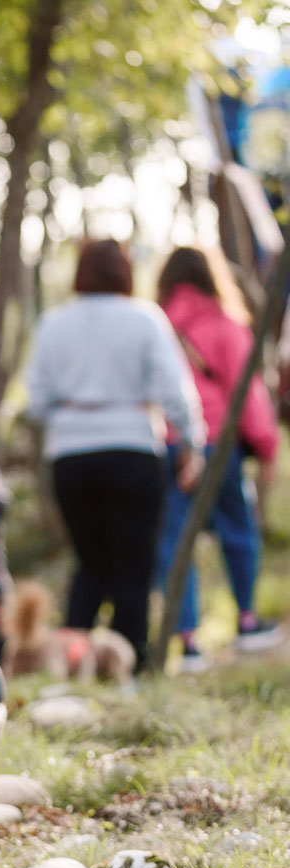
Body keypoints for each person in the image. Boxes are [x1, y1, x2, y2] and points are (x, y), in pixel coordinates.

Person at [25, 238, 205, 672]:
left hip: (70, 455)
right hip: (133, 450)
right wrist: (192, 442)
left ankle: (71, 665)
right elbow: (175, 390)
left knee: (90, 564)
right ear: (125, 271)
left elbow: (36, 402)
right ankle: (130, 667)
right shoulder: (144, 319)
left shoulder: (54, 324)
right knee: (133, 565)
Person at [154, 245, 281, 670]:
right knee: (237, 528)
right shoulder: (226, 322)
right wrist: (266, 445)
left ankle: (187, 640)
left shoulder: (158, 325)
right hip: (220, 443)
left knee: (175, 541)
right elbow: (248, 393)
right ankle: (247, 621)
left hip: (172, 445)